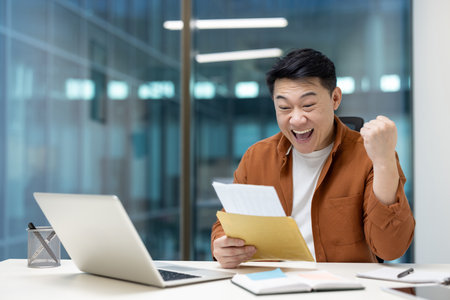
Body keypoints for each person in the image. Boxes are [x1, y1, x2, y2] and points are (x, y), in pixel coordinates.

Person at [211, 48, 415, 269]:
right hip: (271, 286)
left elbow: (391, 248)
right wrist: (222, 246)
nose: (297, 119)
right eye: (284, 107)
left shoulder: (370, 155)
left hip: (345, 289)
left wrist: (384, 161)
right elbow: (227, 222)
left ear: (335, 98)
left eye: (308, 105)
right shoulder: (257, 157)